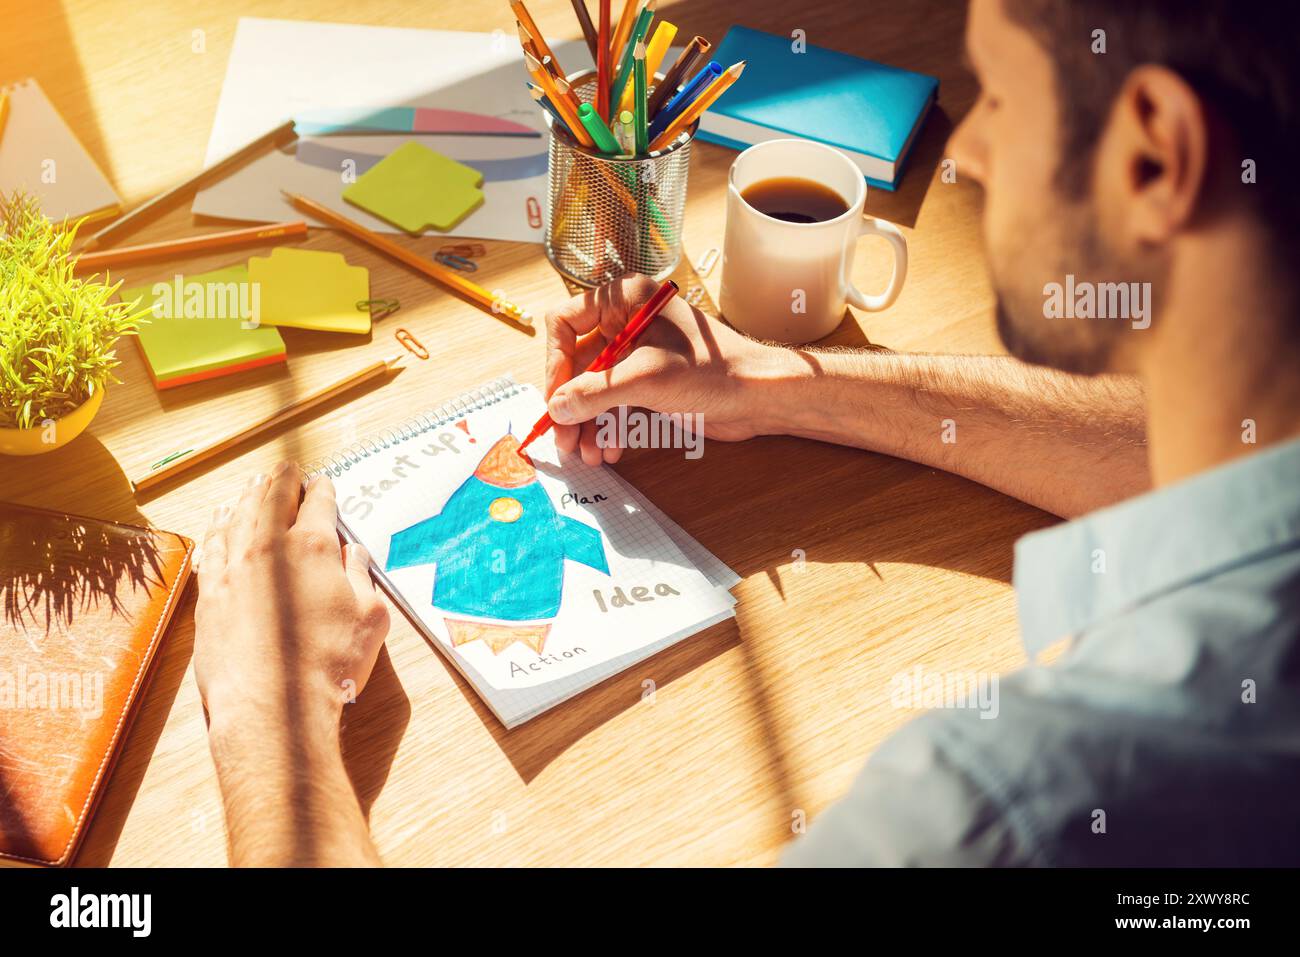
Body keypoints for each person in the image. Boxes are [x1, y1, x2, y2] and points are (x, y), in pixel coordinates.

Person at [193, 0, 1300, 865]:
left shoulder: (995, 814)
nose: (969, 151)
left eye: (1002, 94)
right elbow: (1205, 451)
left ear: (1154, 158)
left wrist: (271, 712)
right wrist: (778, 384)